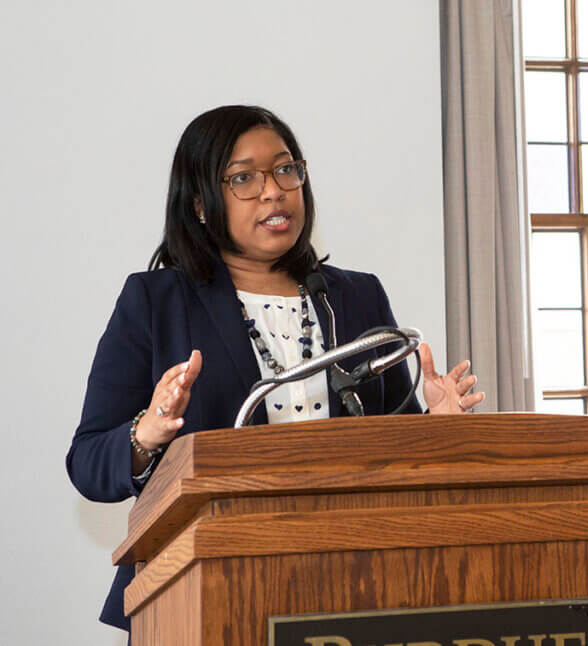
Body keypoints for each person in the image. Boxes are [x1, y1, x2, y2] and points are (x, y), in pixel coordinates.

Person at [65, 105, 485, 635]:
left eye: (286, 170)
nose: (274, 191)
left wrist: (435, 426)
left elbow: (390, 454)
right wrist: (145, 435)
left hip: (355, 583)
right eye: (243, 178)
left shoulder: (356, 297)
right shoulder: (157, 301)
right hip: (207, 587)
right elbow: (87, 461)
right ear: (199, 203)